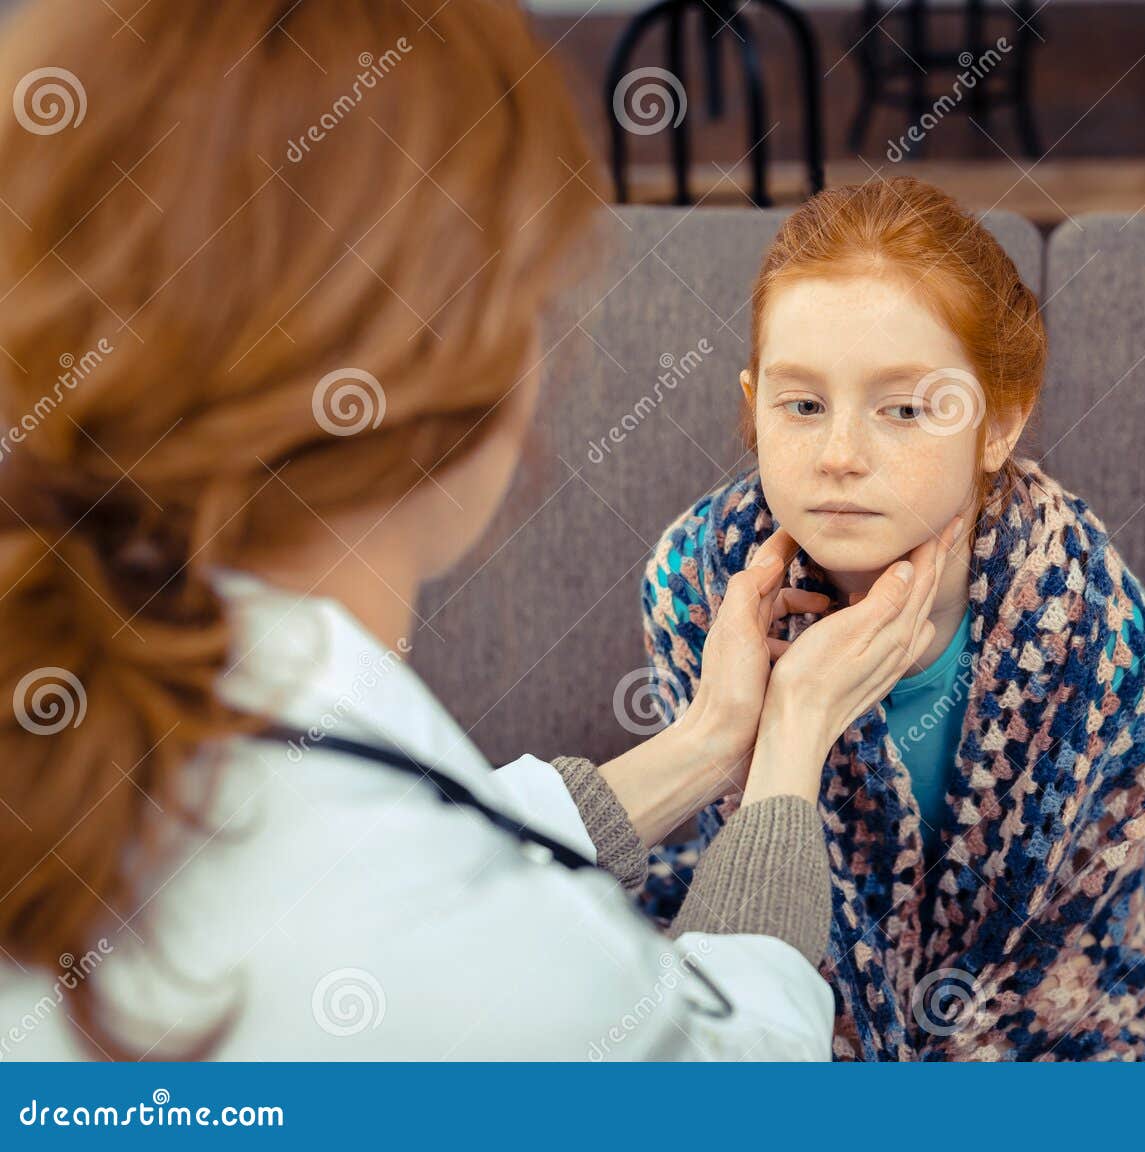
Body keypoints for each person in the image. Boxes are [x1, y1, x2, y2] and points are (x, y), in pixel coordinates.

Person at [0, 0, 956, 1060]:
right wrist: (789, 746)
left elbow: (390, 833)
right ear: (472, 370)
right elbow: (742, 1070)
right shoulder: (487, 972)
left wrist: (705, 744)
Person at [637, 176, 1145, 1061]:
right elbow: (746, 863)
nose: (839, 455)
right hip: (784, 968)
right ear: (755, 404)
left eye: (906, 408)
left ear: (997, 425)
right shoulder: (699, 587)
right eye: (802, 405)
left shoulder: (1092, 636)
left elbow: (1056, 936)